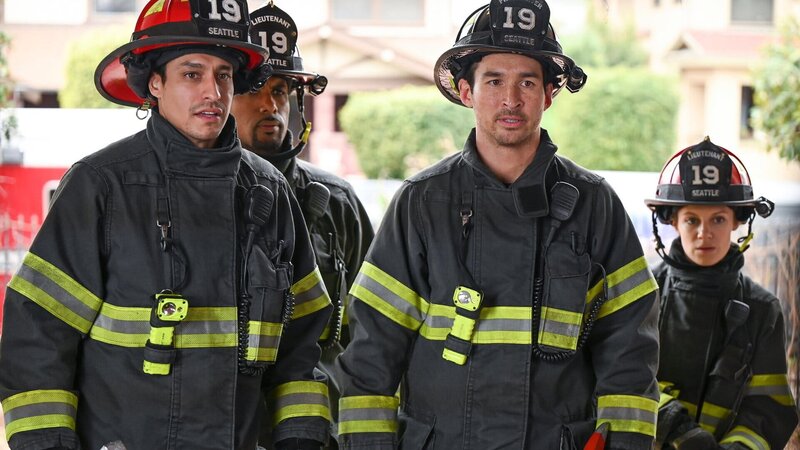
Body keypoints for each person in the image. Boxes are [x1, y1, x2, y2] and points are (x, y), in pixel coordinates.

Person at [0, 1, 333, 449]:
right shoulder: (101, 186)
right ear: (154, 83)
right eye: (192, 74)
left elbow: (303, 350)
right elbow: (37, 343)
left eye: (224, 75)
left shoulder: (269, 192)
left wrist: (302, 442)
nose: (212, 92)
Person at [333, 0, 661, 448]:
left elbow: (630, 356)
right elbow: (371, 357)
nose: (511, 99)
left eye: (527, 81)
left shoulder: (595, 205)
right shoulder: (422, 203)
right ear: (466, 92)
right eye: (494, 81)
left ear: (549, 94)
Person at [230, 3, 374, 448]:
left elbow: (371, 336)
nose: (271, 104)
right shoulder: (193, 199)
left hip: (316, 432)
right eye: (253, 89)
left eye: (281, 90)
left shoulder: (337, 202)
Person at [644, 137, 798, 450]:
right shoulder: (643, 293)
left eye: (718, 219)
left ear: (737, 223)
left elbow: (770, 409)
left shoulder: (762, 310)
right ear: (671, 221)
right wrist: (680, 431)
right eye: (691, 220)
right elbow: (618, 378)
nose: (705, 233)